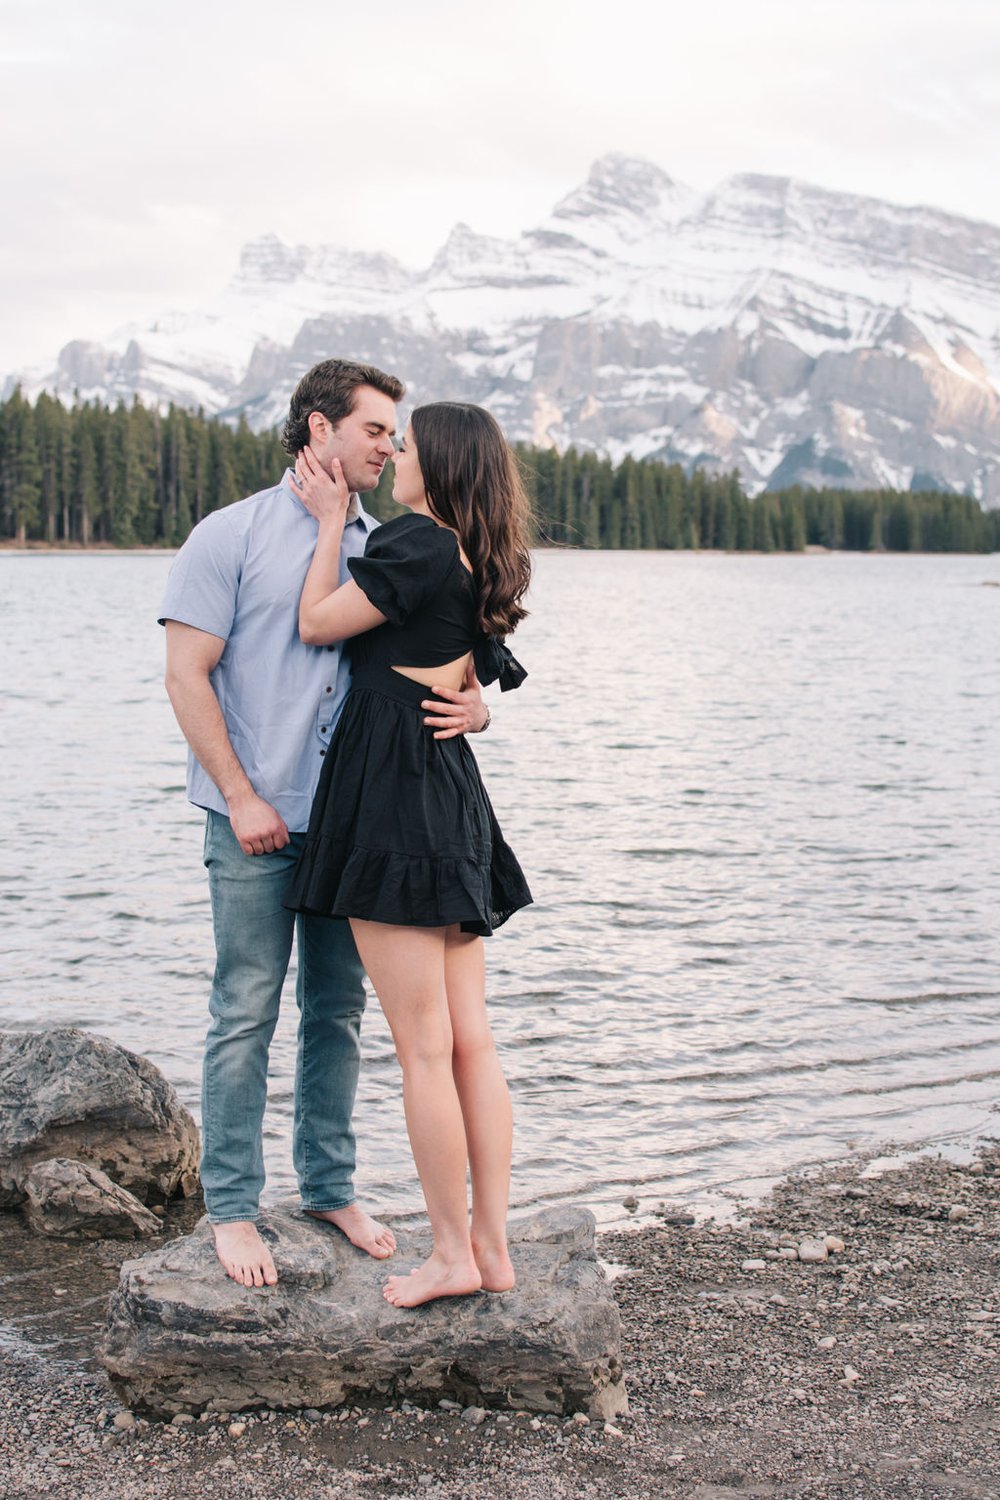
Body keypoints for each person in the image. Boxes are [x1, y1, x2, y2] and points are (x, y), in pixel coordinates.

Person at [159, 360, 490, 1290]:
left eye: (397, 434)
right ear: (319, 430)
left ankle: (329, 1187)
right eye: (377, 429)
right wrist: (241, 795)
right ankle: (230, 1208)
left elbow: (442, 659)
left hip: (359, 825)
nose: (391, 445)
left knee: (337, 1015)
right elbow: (186, 676)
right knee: (245, 1010)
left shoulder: (391, 542)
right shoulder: (228, 536)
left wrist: (479, 707)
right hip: (255, 817)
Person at [282, 401, 533, 1308]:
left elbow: (317, 623)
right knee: (470, 1042)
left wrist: (324, 528)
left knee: (424, 1051)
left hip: (392, 791)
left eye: (411, 446)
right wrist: (480, 704)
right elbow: (479, 672)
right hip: (451, 791)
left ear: (445, 466)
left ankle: (450, 1258)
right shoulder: (479, 551)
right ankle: (492, 1249)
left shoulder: (417, 542)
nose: (397, 457)